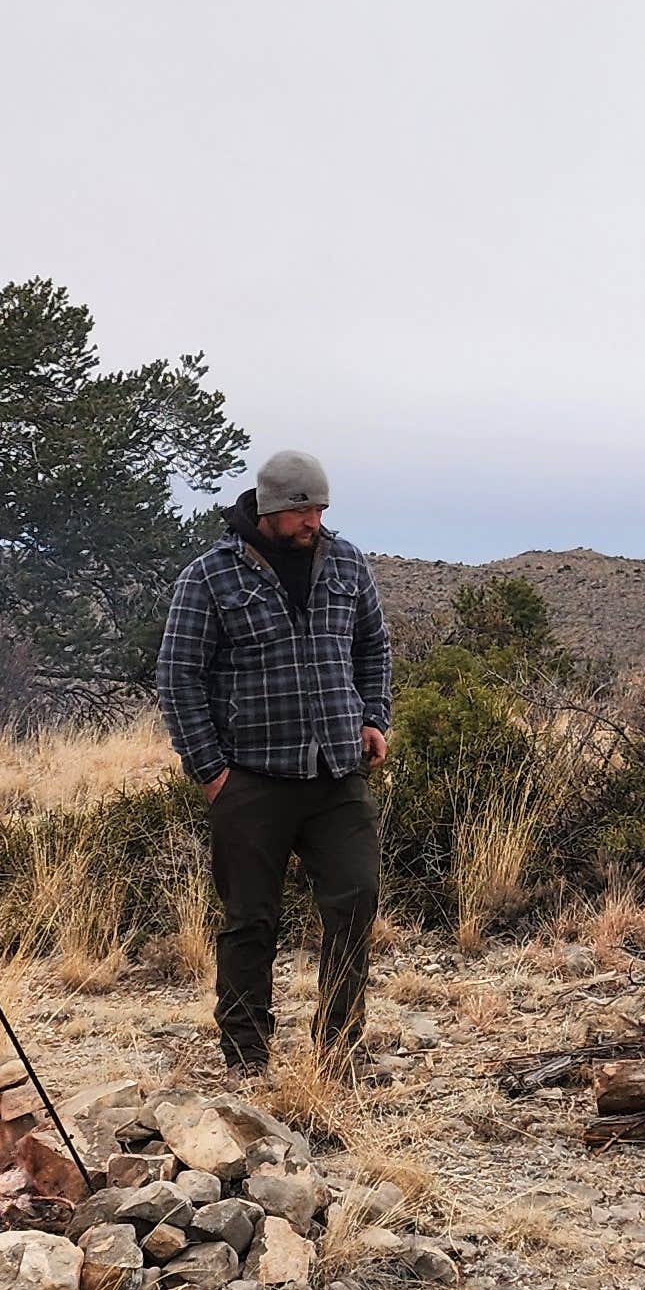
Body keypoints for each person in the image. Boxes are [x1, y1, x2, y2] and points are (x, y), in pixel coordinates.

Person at [156, 448, 393, 1070]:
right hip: (251, 778)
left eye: (318, 507)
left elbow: (373, 645)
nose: (312, 520)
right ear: (268, 508)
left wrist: (373, 718)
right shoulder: (210, 576)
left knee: (355, 899)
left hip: (337, 773)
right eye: (299, 509)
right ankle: (245, 1051)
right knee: (249, 920)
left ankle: (340, 1046)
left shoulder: (346, 562)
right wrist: (211, 772)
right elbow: (179, 676)